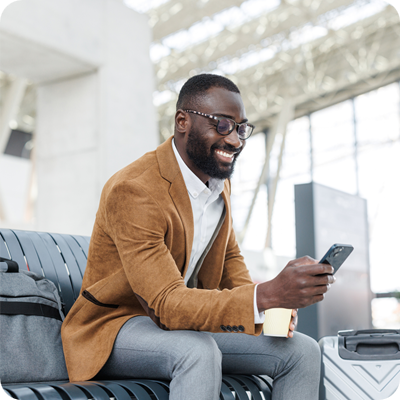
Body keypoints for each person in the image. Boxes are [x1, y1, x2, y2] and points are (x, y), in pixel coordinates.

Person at [61, 73, 335, 400]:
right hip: (115, 327)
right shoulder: (134, 190)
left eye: (241, 128)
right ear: (182, 121)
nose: (235, 140)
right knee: (197, 351)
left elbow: (232, 267)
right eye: (222, 125)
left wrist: (273, 308)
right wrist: (266, 295)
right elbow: (165, 303)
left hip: (181, 327)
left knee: (301, 351)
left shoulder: (218, 186)